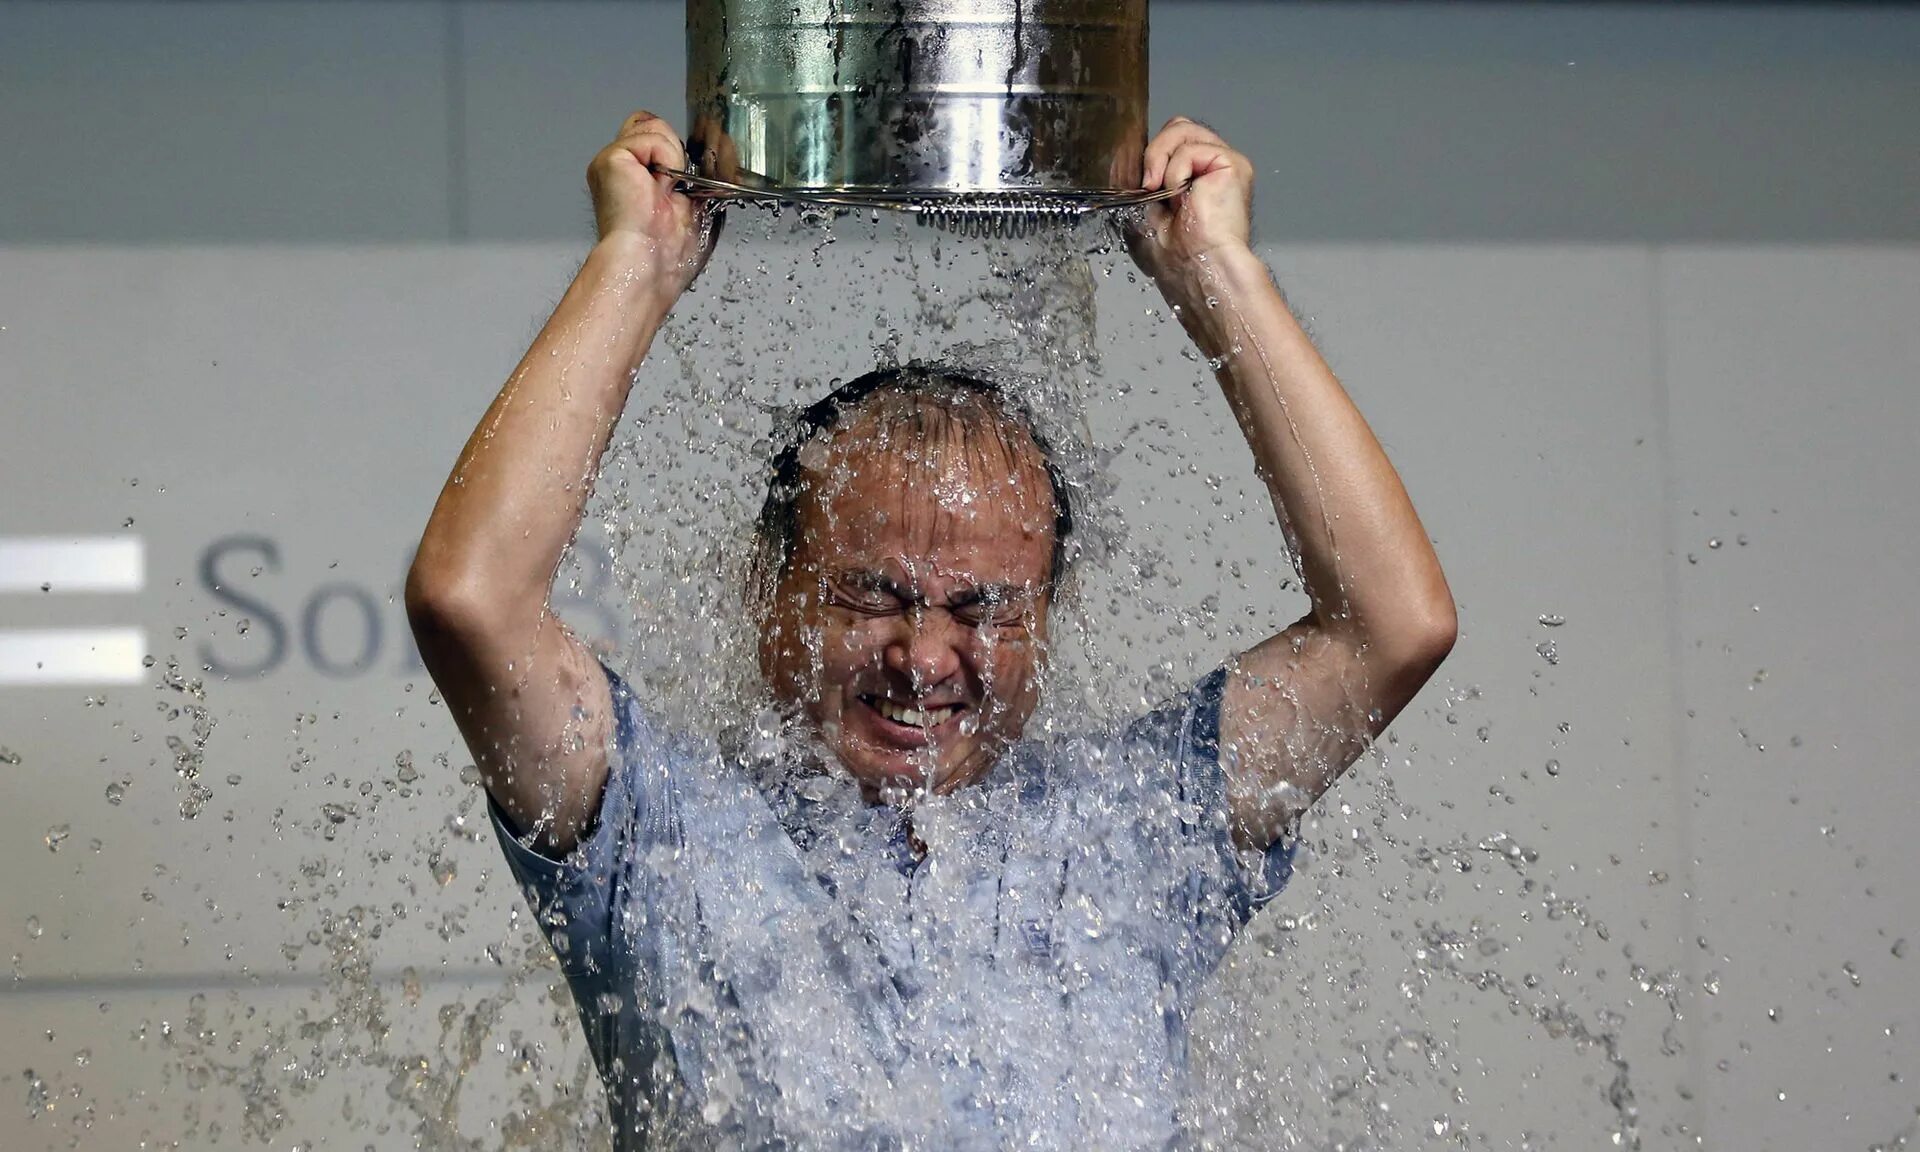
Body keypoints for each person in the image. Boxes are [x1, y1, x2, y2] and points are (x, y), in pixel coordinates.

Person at [406, 110, 1455, 1149]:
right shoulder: (660, 835)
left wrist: (1215, 272)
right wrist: (635, 265)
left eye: (984, 608)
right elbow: (473, 600)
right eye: (871, 596)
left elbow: (1389, 629)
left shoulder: (1137, 832)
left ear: (1047, 613)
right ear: (767, 587)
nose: (923, 658)